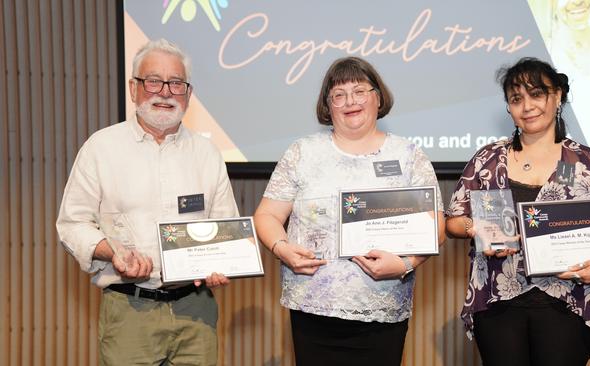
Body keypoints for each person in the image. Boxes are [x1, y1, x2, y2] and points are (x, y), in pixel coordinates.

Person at [445, 57, 590, 366]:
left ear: (558, 97)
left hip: (568, 302)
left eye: (537, 93)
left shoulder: (586, 163)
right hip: (497, 302)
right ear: (509, 110)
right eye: (516, 99)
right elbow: (453, 222)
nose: (527, 105)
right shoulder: (487, 159)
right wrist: (474, 227)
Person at [253, 56, 446, 366]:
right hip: (312, 308)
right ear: (327, 106)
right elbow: (266, 216)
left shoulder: (408, 154)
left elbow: (435, 226)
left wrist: (406, 264)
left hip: (382, 308)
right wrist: (282, 248)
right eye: (338, 95)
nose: (349, 101)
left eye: (359, 91)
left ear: (378, 97)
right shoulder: (302, 152)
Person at [56, 39, 238, 365]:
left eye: (176, 83)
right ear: (134, 88)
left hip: (196, 309)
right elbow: (72, 225)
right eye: (153, 81)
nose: (165, 92)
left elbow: (225, 229)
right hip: (129, 309)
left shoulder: (207, 154)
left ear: (189, 94)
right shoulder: (101, 148)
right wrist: (113, 252)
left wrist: (222, 264)